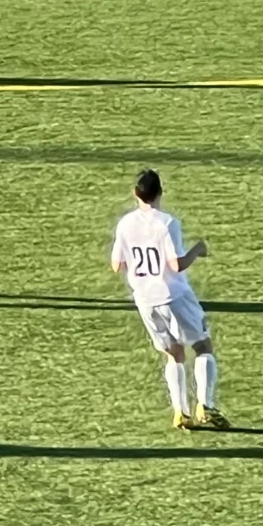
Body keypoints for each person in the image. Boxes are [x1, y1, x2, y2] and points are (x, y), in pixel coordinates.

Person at [109, 170, 228, 431]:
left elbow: (116, 264)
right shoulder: (167, 223)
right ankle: (205, 405)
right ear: (160, 192)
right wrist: (198, 249)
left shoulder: (125, 224)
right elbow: (177, 264)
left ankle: (180, 412)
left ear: (135, 194)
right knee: (202, 346)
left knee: (173, 354)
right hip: (173, 295)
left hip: (144, 299)